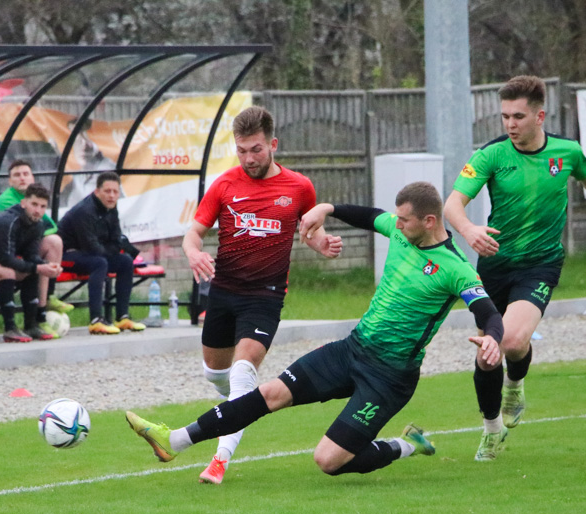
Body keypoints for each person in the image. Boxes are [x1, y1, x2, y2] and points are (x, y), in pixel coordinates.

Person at [126, 182, 504, 480]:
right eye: (397, 219)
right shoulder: (401, 230)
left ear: (430, 222)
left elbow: (489, 313)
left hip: (389, 378)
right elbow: (369, 215)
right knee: (270, 392)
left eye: (404, 220)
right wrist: (327, 208)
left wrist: (491, 337)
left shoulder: (456, 269)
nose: (396, 224)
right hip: (351, 351)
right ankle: (175, 439)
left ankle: (407, 445)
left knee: (328, 461)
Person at [443, 75, 586, 461]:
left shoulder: (566, 152)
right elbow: (452, 204)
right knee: (487, 353)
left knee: (511, 342)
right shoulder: (489, 155)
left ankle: (515, 384)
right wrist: (469, 229)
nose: (510, 124)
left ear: (540, 115)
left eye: (518, 116)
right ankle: (491, 430)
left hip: (539, 264)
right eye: (505, 116)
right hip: (494, 266)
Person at [181, 105, 343, 484]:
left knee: (241, 374)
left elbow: (310, 231)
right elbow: (193, 233)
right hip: (223, 293)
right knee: (216, 376)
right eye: (242, 150)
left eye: (256, 149)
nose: (249, 158)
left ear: (273, 144)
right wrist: (192, 251)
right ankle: (243, 406)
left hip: (265, 298)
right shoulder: (223, 185)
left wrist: (321, 245)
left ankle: (219, 460)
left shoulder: (299, 187)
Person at [0, 184, 63, 342]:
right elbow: (6, 258)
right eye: (34, 204)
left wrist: (46, 266)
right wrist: (38, 266)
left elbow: (31, 255)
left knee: (32, 270)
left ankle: (31, 325)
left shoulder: (38, 224)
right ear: (24, 203)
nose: (38, 210)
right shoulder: (8, 220)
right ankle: (10, 328)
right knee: (8, 272)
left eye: (42, 206)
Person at [0, 159, 74, 338]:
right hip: (6, 253)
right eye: (17, 175)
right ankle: (38, 313)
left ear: (32, 177)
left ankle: (44, 306)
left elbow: (51, 228)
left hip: (27, 249)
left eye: (26, 174)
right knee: (38, 262)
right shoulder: (5, 201)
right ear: (9, 181)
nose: (22, 178)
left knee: (54, 241)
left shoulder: (36, 199)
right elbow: (11, 234)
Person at [58, 171, 145, 335]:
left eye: (115, 192)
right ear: (97, 191)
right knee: (100, 263)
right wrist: (110, 248)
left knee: (125, 261)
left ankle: (122, 317)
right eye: (107, 191)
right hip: (65, 256)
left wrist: (112, 248)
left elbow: (115, 239)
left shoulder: (111, 208)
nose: (112, 196)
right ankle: (96, 320)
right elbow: (91, 246)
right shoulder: (84, 211)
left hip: (90, 254)